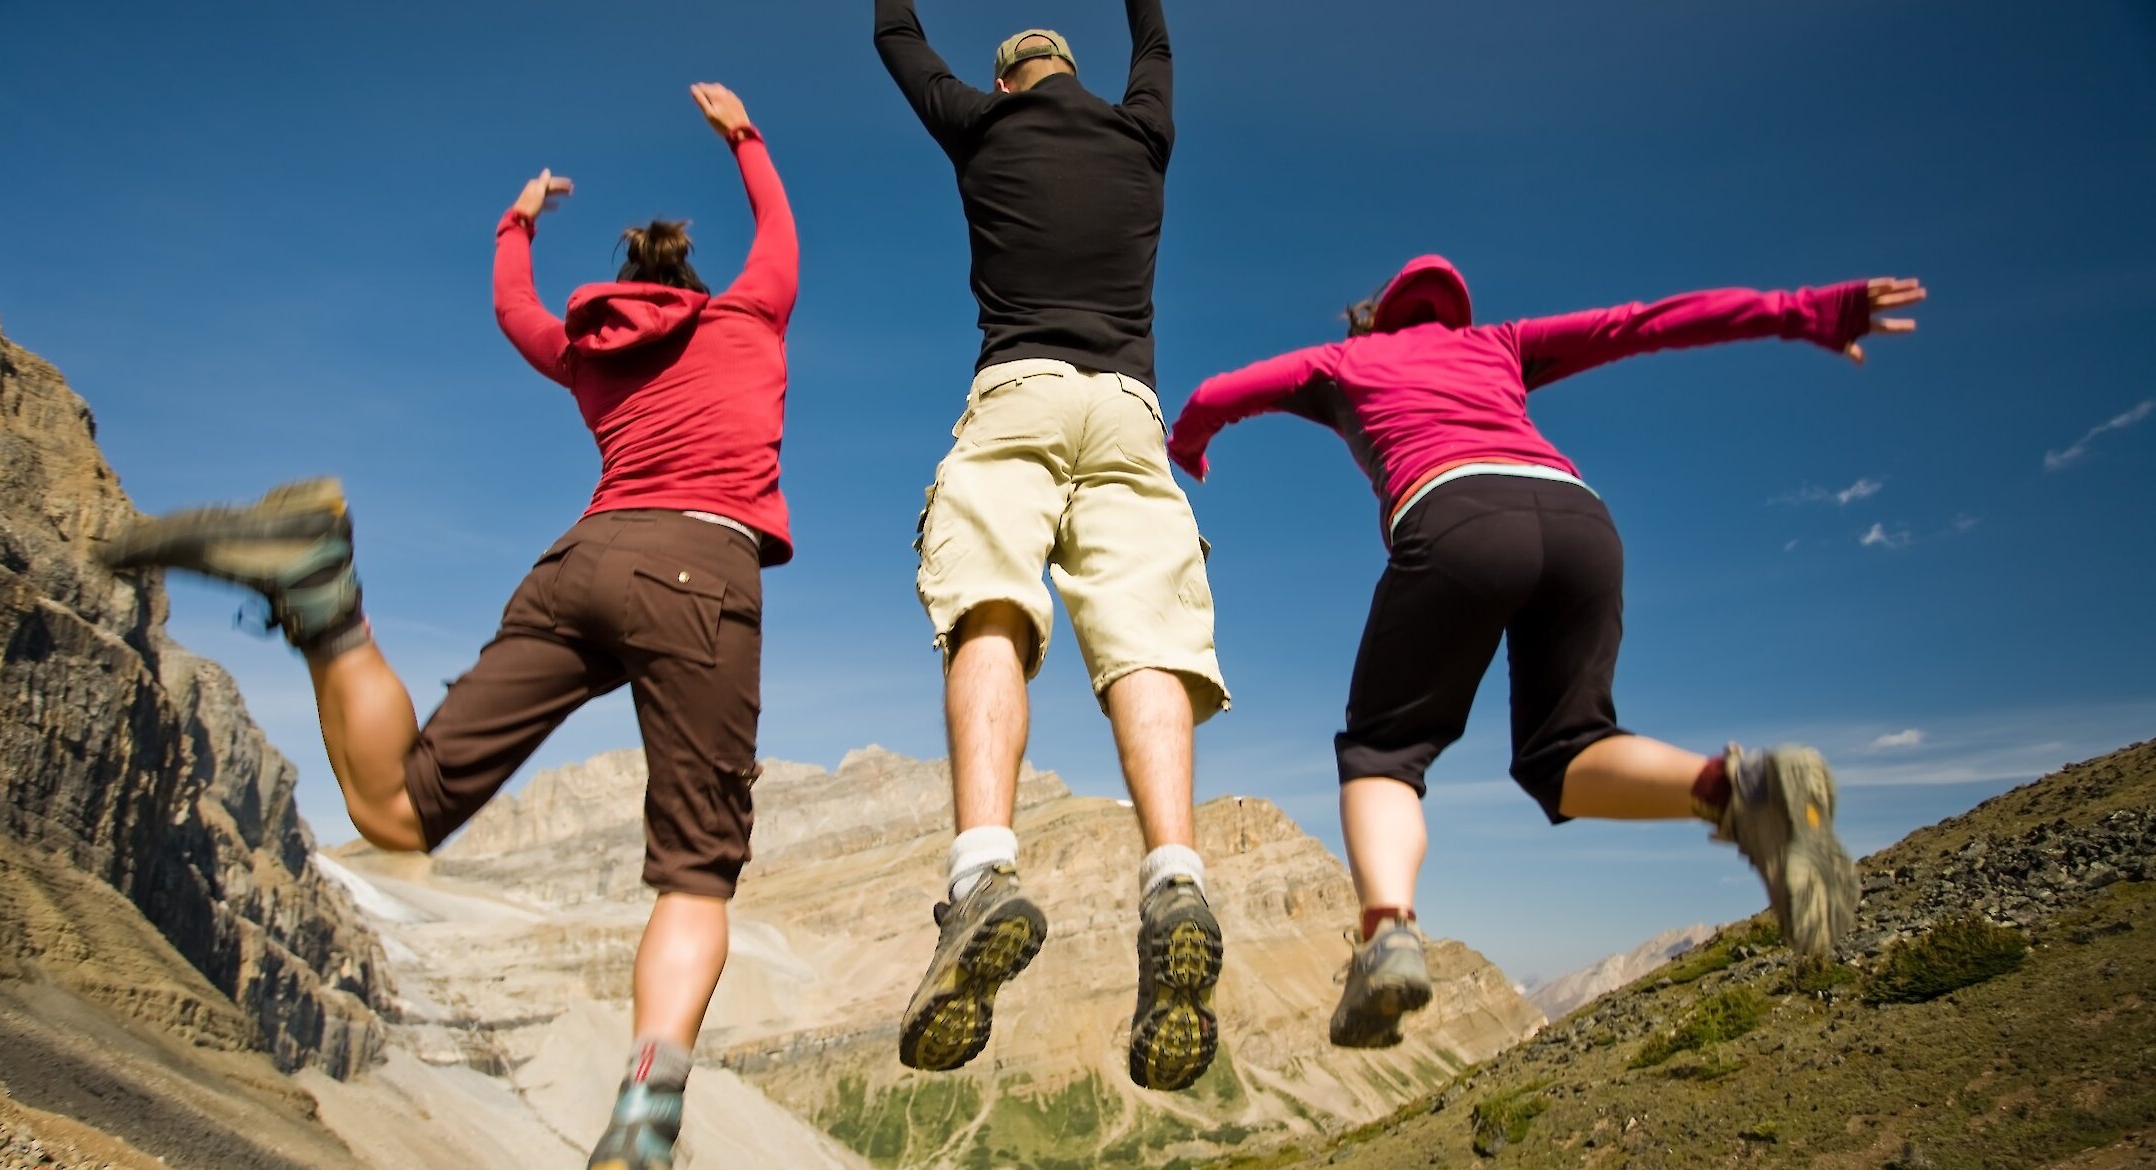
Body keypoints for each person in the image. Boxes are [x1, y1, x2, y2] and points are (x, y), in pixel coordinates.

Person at [96, 83, 797, 1170]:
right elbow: (778, 233)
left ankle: (324, 598)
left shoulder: (587, 356)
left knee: (398, 808)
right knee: (695, 872)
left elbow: (516, 309)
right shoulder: (747, 318)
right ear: (698, 291)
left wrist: (516, 221)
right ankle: (644, 1124)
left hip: (578, 563)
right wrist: (744, 135)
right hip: (701, 569)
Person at [1167, 259, 1924, 1048]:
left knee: (1384, 753)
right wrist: (1806, 309)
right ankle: (1736, 787)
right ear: (1454, 318)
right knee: (1567, 752)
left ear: (1372, 319)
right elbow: (1645, 320)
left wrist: (1190, 445)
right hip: (1580, 523)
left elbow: (1218, 392)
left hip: (1454, 514)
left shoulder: (1345, 362)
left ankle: (1387, 935)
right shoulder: (1499, 344)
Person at [873, 0, 1227, 1092]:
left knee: (987, 598)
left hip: (1018, 391)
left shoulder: (984, 127)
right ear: (1073, 72)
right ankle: (1173, 876)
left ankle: (983, 872)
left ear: (1010, 81)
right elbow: (1157, 50)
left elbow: (896, 37)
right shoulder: (1142, 134)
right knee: (1148, 641)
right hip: (1128, 409)